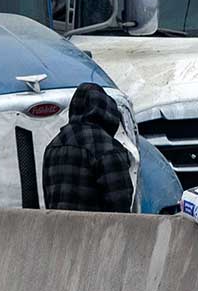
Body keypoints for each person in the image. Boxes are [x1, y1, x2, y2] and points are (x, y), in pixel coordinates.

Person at [42, 83, 134, 212]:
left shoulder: (53, 147)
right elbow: (120, 206)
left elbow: (49, 200)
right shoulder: (108, 149)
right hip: (97, 231)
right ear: (107, 111)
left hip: (59, 230)